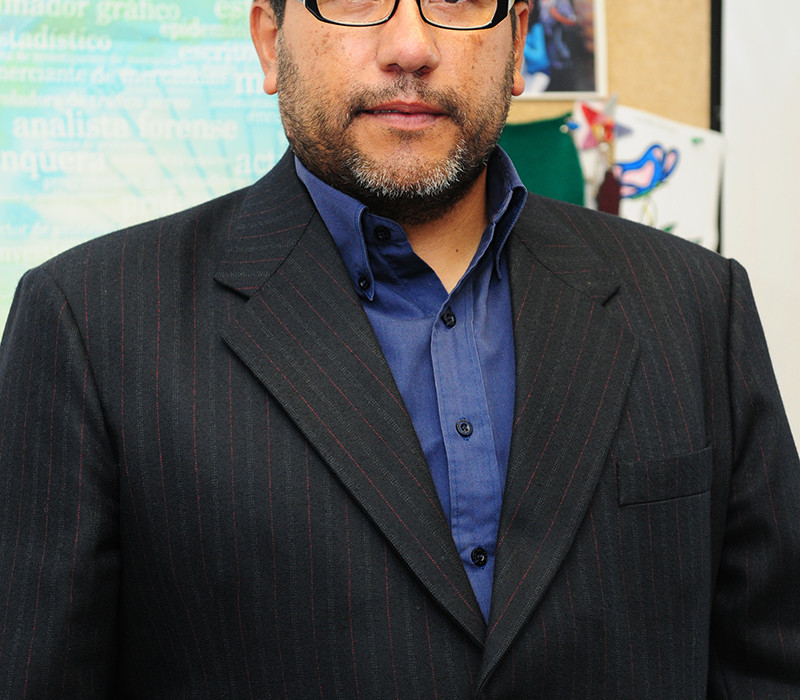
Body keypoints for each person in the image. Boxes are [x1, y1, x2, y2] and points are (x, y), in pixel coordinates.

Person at [1, 0, 799, 695]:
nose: (410, 46)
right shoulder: (89, 325)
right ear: (269, 42)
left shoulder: (696, 305)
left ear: (516, 44)